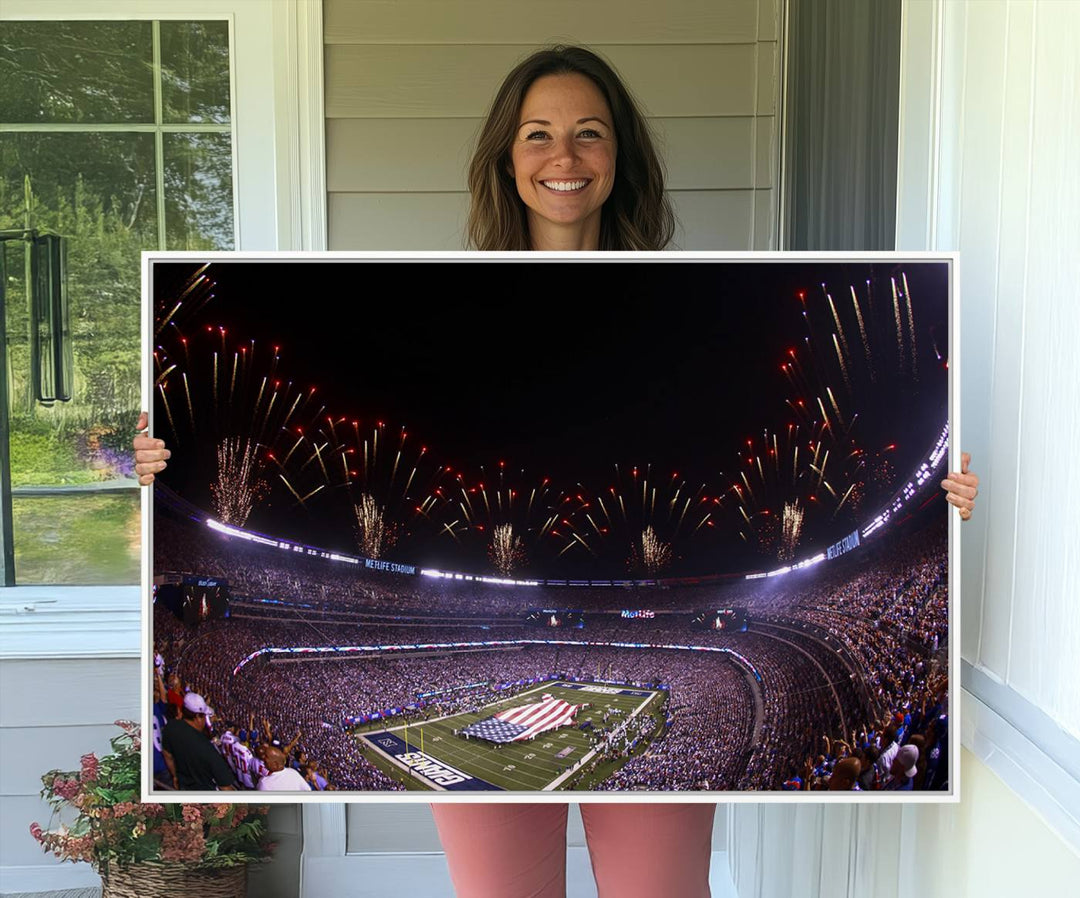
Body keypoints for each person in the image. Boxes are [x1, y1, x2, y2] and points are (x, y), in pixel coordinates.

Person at [135, 43, 981, 898]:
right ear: (507, 157)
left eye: (589, 134)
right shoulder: (448, 314)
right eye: (538, 134)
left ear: (621, 158)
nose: (563, 157)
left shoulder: (685, 306)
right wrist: (150, 462)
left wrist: (942, 513)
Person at [160, 692, 238, 791]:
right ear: (197, 717)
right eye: (205, 716)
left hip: (182, 785)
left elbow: (167, 755)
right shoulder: (208, 750)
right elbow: (225, 788)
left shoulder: (170, 727)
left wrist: (175, 777)